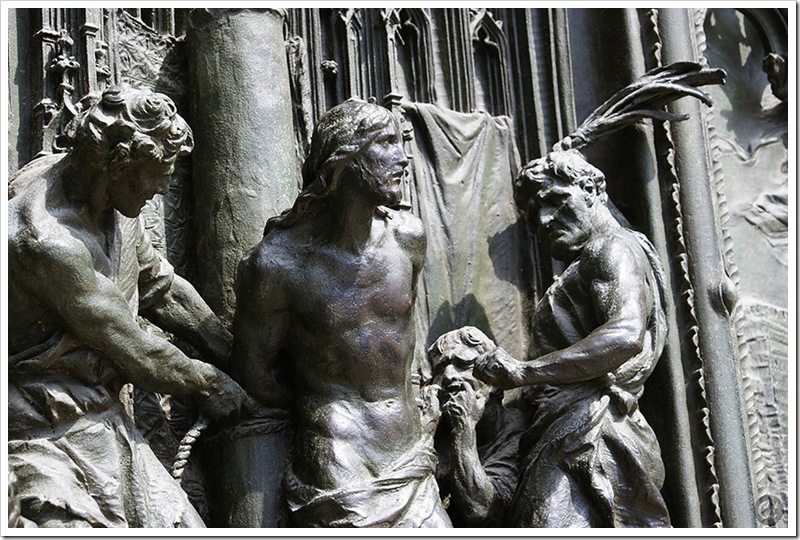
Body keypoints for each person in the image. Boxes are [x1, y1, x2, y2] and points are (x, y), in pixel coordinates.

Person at [8, 85, 254, 528]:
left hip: (101, 420)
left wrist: (237, 356)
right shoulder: (46, 240)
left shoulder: (111, 202)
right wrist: (213, 385)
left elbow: (162, 288)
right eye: (157, 175)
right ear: (120, 164)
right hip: (39, 430)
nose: (162, 188)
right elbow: (139, 353)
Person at [231, 98, 451, 527]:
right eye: (386, 143)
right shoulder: (278, 266)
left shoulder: (408, 238)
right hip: (339, 458)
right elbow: (253, 374)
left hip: (409, 451)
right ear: (344, 159)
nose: (403, 158)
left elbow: (405, 333)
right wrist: (322, 406)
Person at [474, 149, 671, 527]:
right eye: (534, 214)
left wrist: (524, 372)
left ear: (592, 190)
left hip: (588, 435)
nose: (544, 220)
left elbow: (625, 335)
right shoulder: (604, 255)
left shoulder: (609, 247)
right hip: (570, 431)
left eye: (555, 201)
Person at [427, 327, 528, 527]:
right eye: (440, 369)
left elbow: (480, 511)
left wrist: (464, 427)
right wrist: (424, 436)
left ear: (495, 381)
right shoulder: (433, 427)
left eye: (462, 364)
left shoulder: (520, 433)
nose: (448, 375)